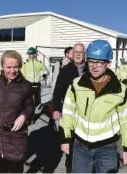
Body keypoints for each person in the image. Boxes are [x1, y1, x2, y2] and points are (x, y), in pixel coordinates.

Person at [59, 40, 127, 173]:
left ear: (108, 63)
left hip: (107, 149)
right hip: (80, 147)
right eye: (91, 61)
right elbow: (68, 112)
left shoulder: (120, 90)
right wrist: (65, 138)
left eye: (99, 62)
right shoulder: (76, 85)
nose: (94, 66)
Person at [51, 43, 86, 172]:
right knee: (69, 143)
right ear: (72, 54)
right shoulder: (66, 70)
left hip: (86, 114)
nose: (77, 54)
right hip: (70, 112)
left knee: (84, 142)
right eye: (75, 52)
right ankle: (70, 168)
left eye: (80, 52)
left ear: (84, 54)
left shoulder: (90, 69)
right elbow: (58, 91)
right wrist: (56, 108)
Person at [21, 47, 48, 122]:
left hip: (36, 84)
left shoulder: (39, 63)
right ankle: (28, 117)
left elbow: (45, 70)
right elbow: (21, 73)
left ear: (35, 54)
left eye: (32, 54)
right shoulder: (25, 63)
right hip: (28, 85)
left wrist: (43, 76)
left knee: (37, 102)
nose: (30, 56)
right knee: (28, 102)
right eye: (29, 54)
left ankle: (33, 116)